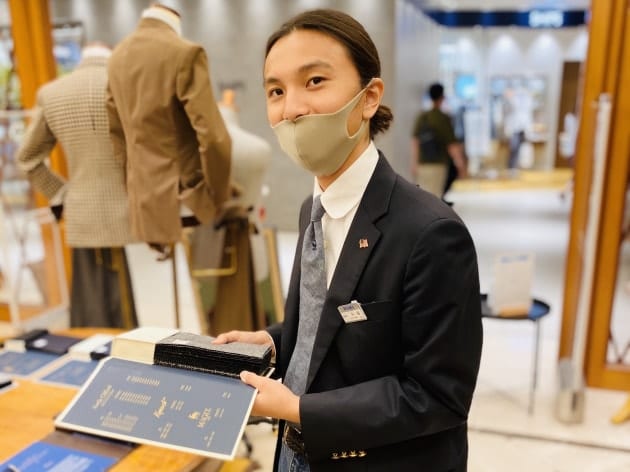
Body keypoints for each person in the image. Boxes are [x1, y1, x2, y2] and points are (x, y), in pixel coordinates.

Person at [214, 9, 482, 472]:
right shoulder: (311, 209)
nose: (292, 108)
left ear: (369, 97)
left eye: (314, 81)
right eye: (276, 91)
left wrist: (298, 409)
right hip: (294, 453)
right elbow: (329, 325)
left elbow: (439, 395)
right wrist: (275, 342)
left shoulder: (431, 233)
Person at [17, 43, 137, 329]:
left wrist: (61, 194)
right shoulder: (130, 88)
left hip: (81, 211)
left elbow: (27, 159)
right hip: (130, 213)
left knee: (89, 302)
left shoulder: (52, 94)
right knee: (127, 307)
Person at [105, 3, 232, 255]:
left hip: (143, 197)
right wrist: (219, 195)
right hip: (185, 194)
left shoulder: (116, 58)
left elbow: (117, 136)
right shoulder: (185, 53)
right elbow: (213, 137)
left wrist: (132, 189)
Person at [411, 83, 467, 198]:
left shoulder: (422, 117)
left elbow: (415, 141)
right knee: (435, 197)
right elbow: (452, 145)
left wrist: (414, 163)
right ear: (442, 97)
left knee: (422, 197)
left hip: (422, 165)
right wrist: (461, 165)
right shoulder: (443, 118)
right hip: (438, 164)